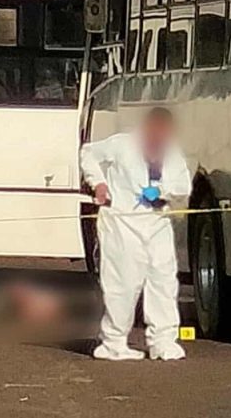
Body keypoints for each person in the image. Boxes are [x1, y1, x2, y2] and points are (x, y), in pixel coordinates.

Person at [79, 107, 192, 361]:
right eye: (155, 131)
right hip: (122, 223)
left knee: (163, 282)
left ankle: (163, 341)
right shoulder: (122, 144)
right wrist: (98, 183)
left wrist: (162, 191)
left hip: (157, 223)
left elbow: (182, 186)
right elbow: (88, 153)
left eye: (164, 133)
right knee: (123, 283)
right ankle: (113, 342)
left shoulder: (173, 154)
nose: (159, 137)